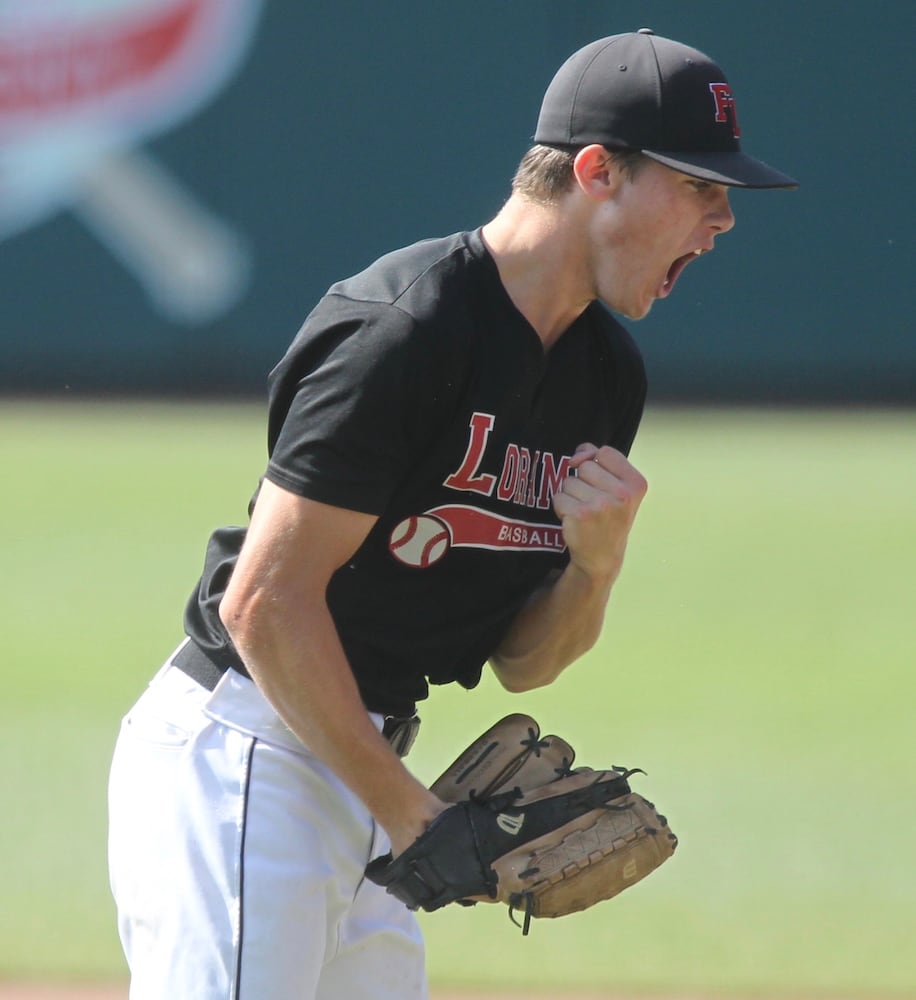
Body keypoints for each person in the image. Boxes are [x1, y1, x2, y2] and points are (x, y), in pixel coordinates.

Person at [108, 27, 796, 1000]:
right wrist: (416, 820)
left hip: (371, 766)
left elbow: (526, 659)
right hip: (247, 759)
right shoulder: (405, 328)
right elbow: (263, 602)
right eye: (698, 186)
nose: (722, 218)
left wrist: (593, 568)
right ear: (597, 170)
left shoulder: (603, 377)